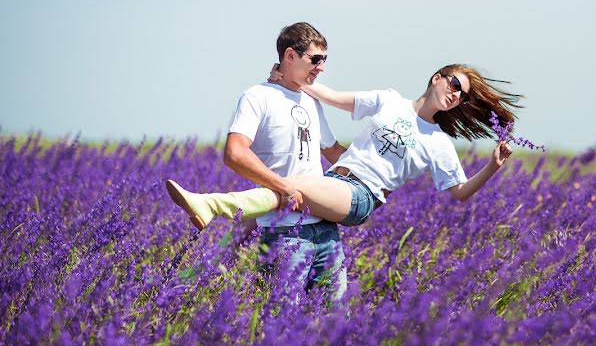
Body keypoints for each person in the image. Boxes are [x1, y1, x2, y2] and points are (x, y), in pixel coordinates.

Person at [166, 63, 521, 231]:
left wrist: (493, 166)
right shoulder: (388, 100)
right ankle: (202, 265)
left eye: (462, 95)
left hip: (361, 196)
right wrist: (291, 80)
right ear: (437, 77)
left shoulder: (439, 143)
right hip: (333, 177)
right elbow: (331, 97)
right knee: (259, 221)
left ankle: (211, 203)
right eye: (455, 84)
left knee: (288, 186)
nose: (456, 94)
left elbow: (458, 192)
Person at [167, 22, 348, 297]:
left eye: (325, 59)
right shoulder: (257, 97)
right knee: (280, 324)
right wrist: (283, 187)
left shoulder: (312, 101)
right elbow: (235, 153)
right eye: (315, 59)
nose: (321, 66)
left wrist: (377, 165)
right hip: (283, 236)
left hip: (326, 232)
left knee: (335, 325)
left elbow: (333, 151)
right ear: (290, 56)